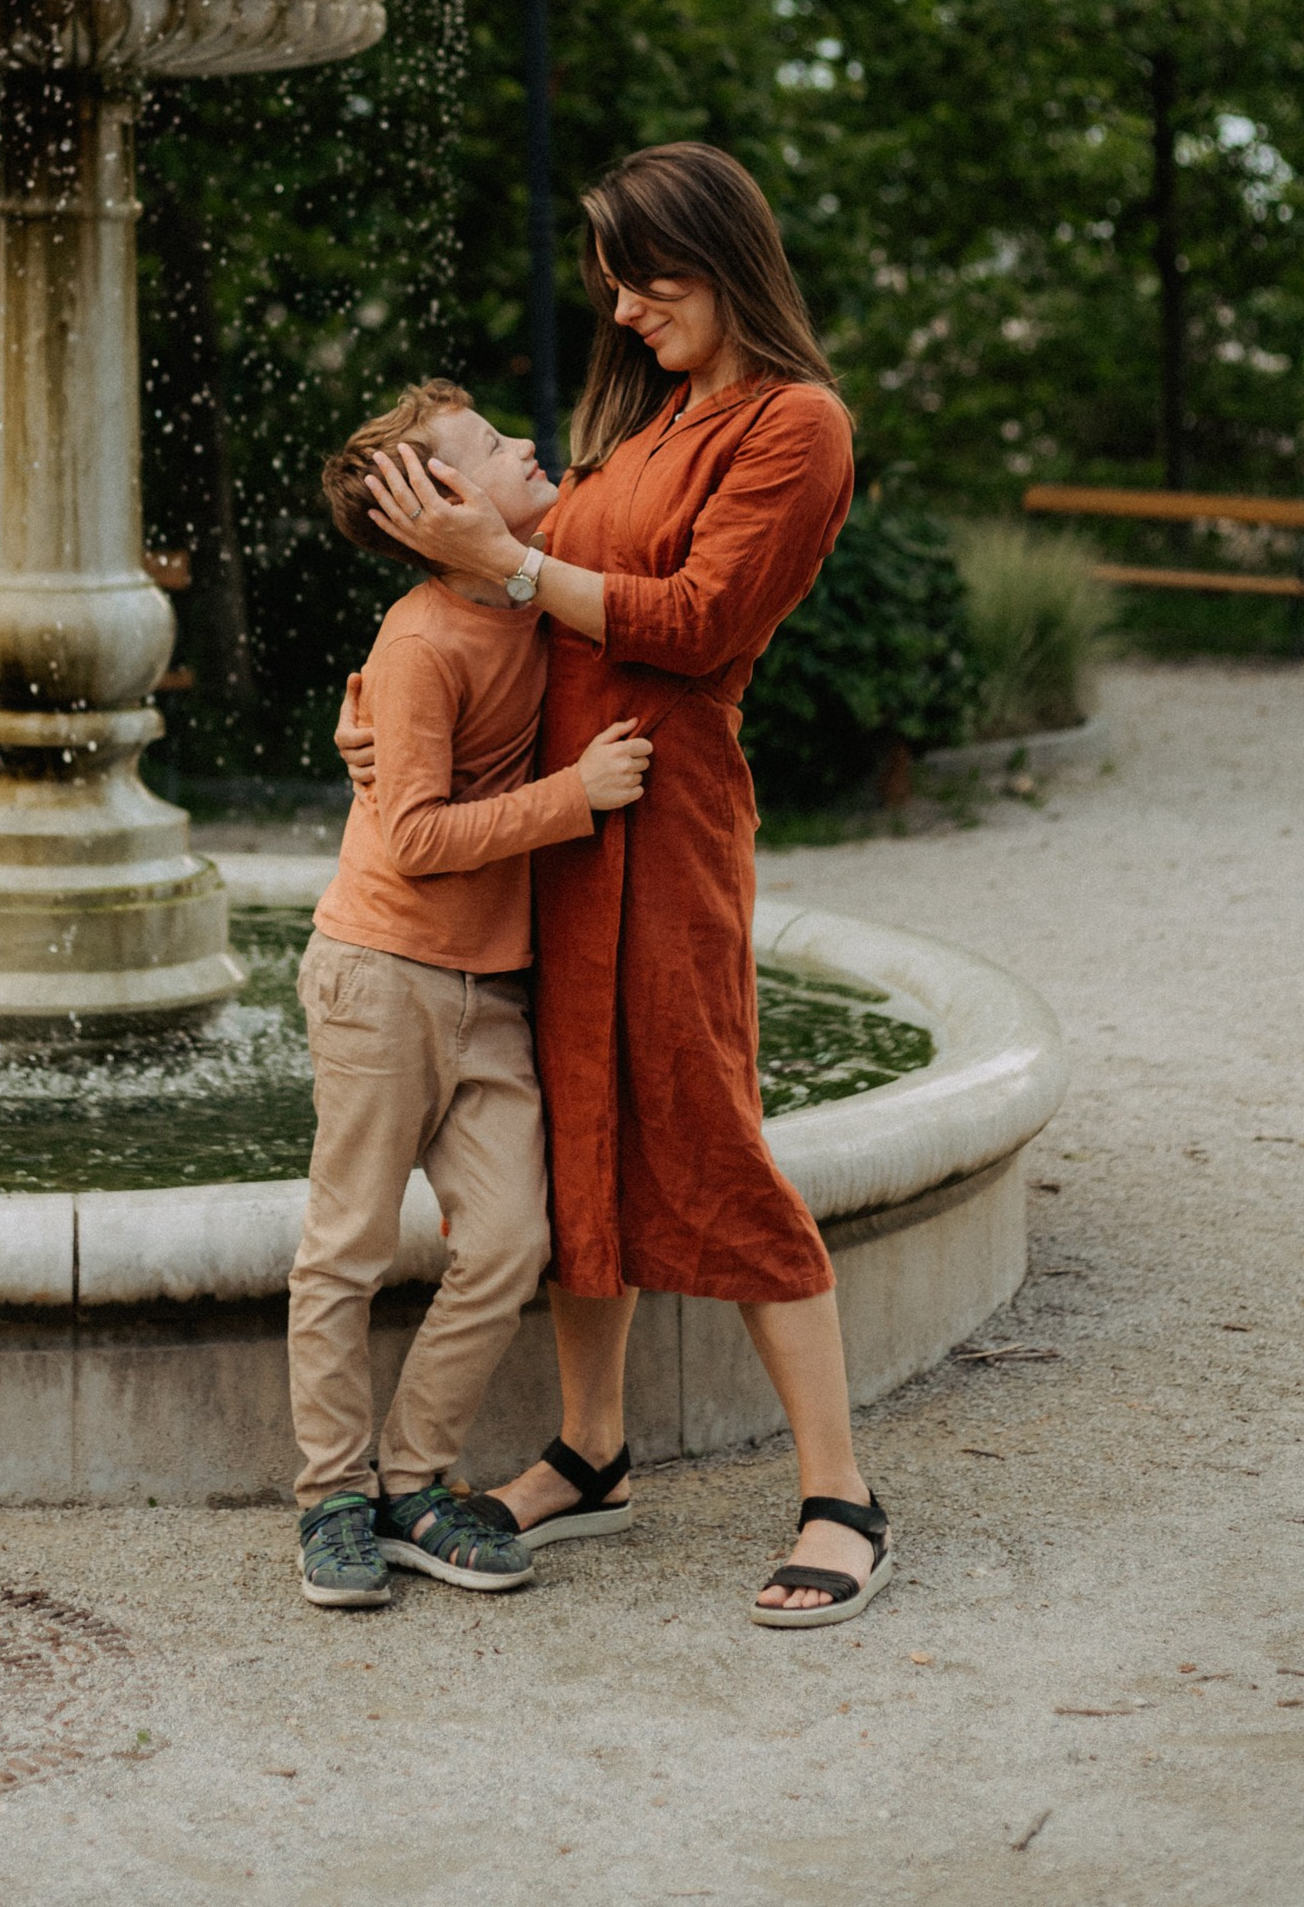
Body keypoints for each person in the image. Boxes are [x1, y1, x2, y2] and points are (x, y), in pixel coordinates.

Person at [341, 143, 893, 1628]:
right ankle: (592, 1453)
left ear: (721, 258)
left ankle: (839, 1490)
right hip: (560, 832)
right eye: (615, 286)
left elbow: (697, 625)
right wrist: (389, 705)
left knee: (707, 1126)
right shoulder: (647, 422)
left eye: (648, 281)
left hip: (663, 819)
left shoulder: (796, 425)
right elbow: (489, 616)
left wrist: (508, 568)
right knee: (579, 1134)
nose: (627, 310)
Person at [291, 377, 654, 1612]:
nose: (527, 445)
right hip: (381, 976)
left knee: (507, 1243)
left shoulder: (527, 597)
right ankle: (333, 1498)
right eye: (494, 446)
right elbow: (415, 840)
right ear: (434, 505)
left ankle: (411, 1483)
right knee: (342, 1247)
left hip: (489, 989)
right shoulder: (419, 641)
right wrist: (575, 798)